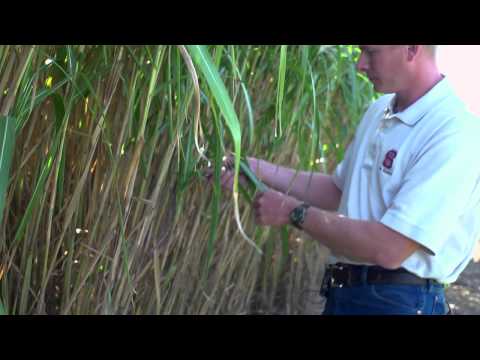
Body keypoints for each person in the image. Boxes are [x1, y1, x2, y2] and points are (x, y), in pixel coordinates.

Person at [211, 45, 480, 315]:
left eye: (371, 52)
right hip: (348, 293)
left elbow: (390, 248)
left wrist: (292, 212)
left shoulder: (454, 132)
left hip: (399, 302)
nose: (360, 65)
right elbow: (338, 190)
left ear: (411, 49)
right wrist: (256, 169)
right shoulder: (378, 111)